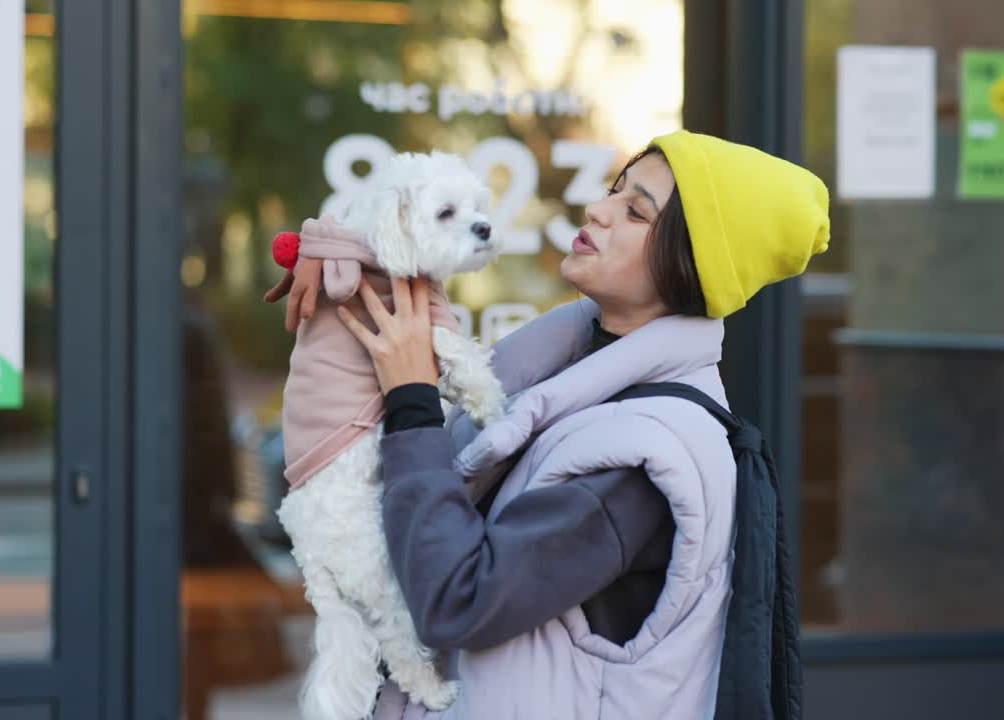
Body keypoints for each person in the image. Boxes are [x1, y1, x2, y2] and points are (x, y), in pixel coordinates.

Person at [270, 128, 829, 719]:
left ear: (693, 266)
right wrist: (344, 250)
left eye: (636, 211)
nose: (598, 209)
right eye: (616, 190)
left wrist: (411, 398)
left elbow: (458, 601)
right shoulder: (560, 379)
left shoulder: (642, 460)